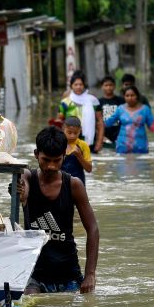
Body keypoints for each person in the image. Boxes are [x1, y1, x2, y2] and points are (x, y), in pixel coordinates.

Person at [20, 126, 99, 294]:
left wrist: (90, 274)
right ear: (36, 155)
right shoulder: (28, 177)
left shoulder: (74, 185)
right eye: (46, 160)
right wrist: (22, 192)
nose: (51, 166)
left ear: (64, 156)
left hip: (69, 274)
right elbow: (22, 183)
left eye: (57, 160)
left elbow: (92, 229)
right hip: (34, 275)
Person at [58, 70, 104, 154]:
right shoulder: (65, 101)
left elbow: (100, 122)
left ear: (84, 85)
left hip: (89, 139)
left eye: (81, 84)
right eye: (76, 84)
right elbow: (60, 121)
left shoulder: (92, 100)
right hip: (69, 139)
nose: (78, 87)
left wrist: (99, 142)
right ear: (71, 85)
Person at [104, 85, 154, 154]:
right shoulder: (120, 109)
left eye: (132, 95)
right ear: (124, 97)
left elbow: (152, 127)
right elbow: (108, 123)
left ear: (137, 96)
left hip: (140, 147)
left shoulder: (145, 109)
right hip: (123, 147)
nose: (130, 98)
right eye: (127, 96)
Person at [59, 117, 92, 184]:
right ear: (63, 129)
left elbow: (89, 169)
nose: (72, 136)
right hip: (60, 182)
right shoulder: (58, 143)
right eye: (69, 132)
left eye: (75, 133)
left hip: (78, 183)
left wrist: (79, 156)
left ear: (80, 130)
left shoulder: (83, 145)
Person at [98, 76, 125, 144]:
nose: (108, 87)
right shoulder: (99, 102)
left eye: (110, 85)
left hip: (119, 134)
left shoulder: (121, 100)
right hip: (104, 135)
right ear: (102, 87)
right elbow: (97, 120)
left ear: (114, 86)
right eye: (106, 85)